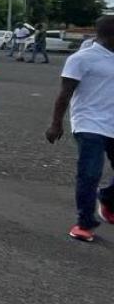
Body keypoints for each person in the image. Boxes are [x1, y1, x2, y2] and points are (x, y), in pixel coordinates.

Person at [46, 16, 114, 243]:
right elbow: (64, 93)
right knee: (90, 173)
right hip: (89, 123)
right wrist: (56, 123)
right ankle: (84, 223)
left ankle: (106, 198)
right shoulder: (82, 59)